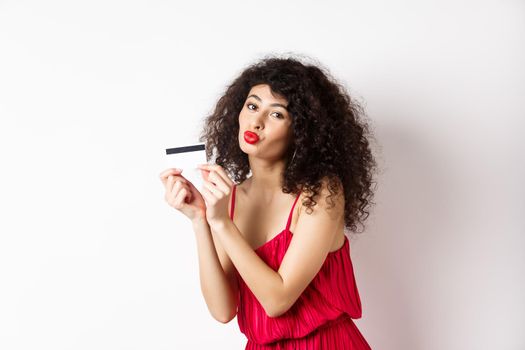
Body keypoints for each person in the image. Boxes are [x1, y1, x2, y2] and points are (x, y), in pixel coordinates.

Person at [159, 54, 377, 349]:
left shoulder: (321, 192)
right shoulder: (230, 198)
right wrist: (201, 219)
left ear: (301, 131)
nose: (256, 121)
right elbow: (223, 310)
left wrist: (222, 223)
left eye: (277, 114)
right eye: (252, 106)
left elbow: (278, 299)